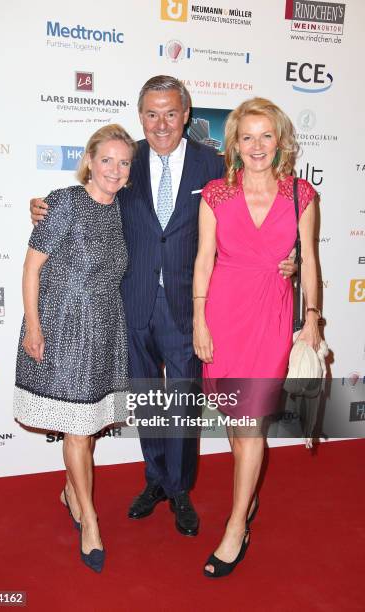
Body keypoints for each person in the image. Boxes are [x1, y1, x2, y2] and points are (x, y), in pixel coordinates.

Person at [31, 76, 296, 538]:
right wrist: (45, 208)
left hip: (188, 306)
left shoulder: (214, 165)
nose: (161, 123)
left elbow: (255, 210)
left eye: (171, 112)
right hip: (131, 303)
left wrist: (285, 257)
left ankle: (179, 489)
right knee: (150, 399)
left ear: (186, 114)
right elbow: (92, 196)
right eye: (152, 113)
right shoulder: (125, 160)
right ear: (141, 117)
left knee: (183, 404)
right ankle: (154, 479)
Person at [193, 97, 321, 577]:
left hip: (271, 315)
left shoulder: (300, 195)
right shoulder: (215, 194)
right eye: (247, 136)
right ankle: (246, 499)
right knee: (236, 420)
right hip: (224, 316)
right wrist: (199, 321)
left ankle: (235, 525)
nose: (257, 145)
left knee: (250, 426)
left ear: (281, 140)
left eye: (266, 135)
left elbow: (308, 260)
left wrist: (312, 317)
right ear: (234, 144)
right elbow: (204, 260)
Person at [14, 124, 136, 572]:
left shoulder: (122, 208)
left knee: (84, 424)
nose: (115, 170)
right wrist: (33, 325)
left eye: (124, 163)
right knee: (78, 430)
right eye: (107, 160)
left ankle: (71, 491)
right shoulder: (64, 202)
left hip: (105, 327)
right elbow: (31, 269)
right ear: (90, 158)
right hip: (64, 326)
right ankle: (90, 521)